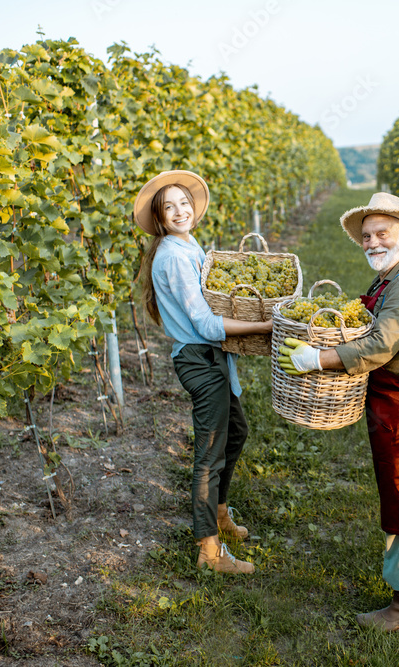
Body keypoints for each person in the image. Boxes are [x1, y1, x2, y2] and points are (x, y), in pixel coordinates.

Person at [278, 192, 399, 631]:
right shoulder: (395, 276)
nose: (373, 242)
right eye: (367, 236)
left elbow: (380, 345)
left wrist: (315, 360)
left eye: (383, 233)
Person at [135, 170, 271, 575]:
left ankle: (221, 513)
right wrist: (264, 326)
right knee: (209, 454)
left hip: (211, 358)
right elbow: (209, 325)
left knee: (237, 431)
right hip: (199, 357)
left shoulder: (189, 245)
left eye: (183, 202)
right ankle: (209, 551)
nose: (179, 210)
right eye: (168, 207)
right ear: (159, 218)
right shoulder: (175, 256)